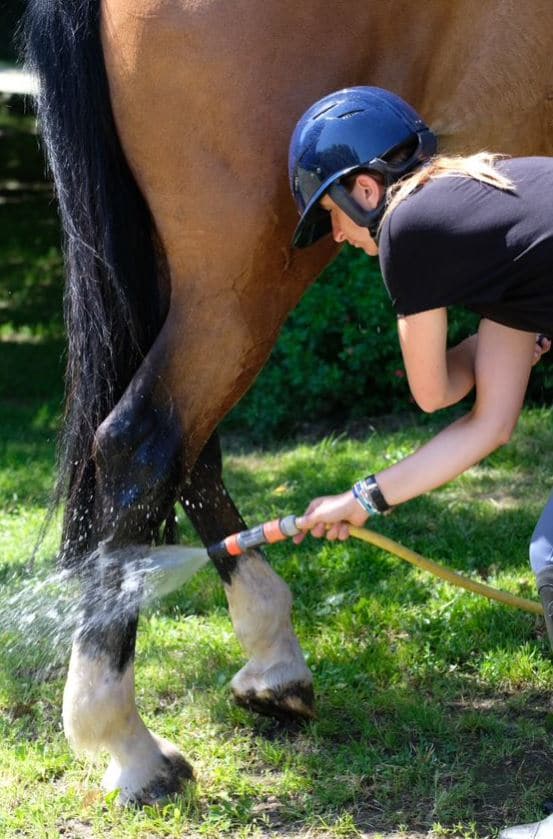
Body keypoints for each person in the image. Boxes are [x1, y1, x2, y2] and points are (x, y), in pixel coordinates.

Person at [288, 86, 553, 839]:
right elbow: (490, 421)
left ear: (365, 188)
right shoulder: (490, 208)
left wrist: (360, 498)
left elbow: (434, 390)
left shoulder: (408, 230)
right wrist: (363, 497)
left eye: (332, 217)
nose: (336, 238)